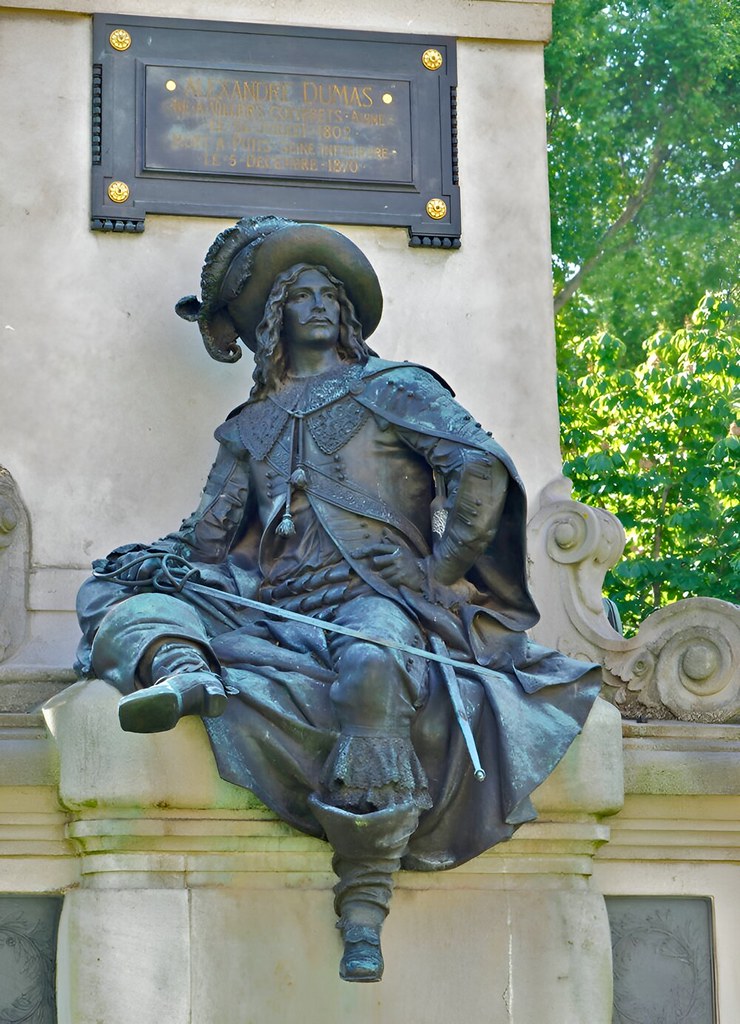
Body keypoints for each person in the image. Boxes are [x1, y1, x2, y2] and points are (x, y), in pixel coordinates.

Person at [75, 216, 601, 983]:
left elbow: (479, 471)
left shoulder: (397, 389)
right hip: (275, 608)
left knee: (373, 668)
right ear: (274, 320)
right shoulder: (249, 427)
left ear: (347, 317)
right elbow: (209, 541)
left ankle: (364, 895)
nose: (319, 306)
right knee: (120, 595)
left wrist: (438, 570)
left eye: (330, 296)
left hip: (374, 603)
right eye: (301, 296)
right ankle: (186, 674)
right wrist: (155, 562)